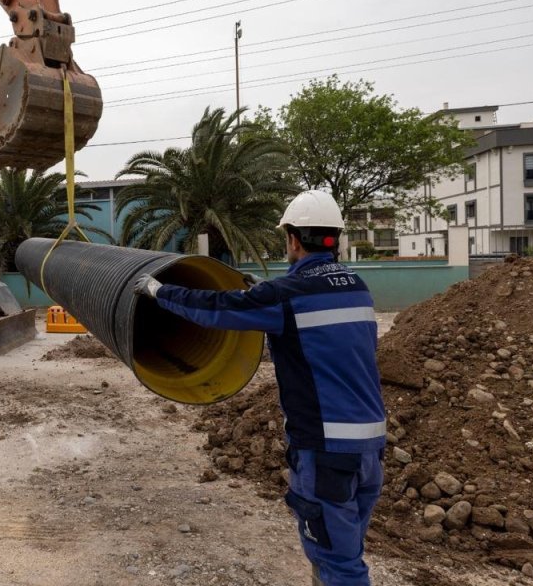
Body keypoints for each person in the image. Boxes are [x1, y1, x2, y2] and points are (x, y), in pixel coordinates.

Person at [133, 190, 386, 586]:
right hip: (370, 450)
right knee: (344, 552)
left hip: (325, 455)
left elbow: (216, 308)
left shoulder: (287, 296)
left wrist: (159, 292)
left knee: (339, 565)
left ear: (294, 239)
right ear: (335, 238)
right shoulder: (356, 286)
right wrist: (260, 291)